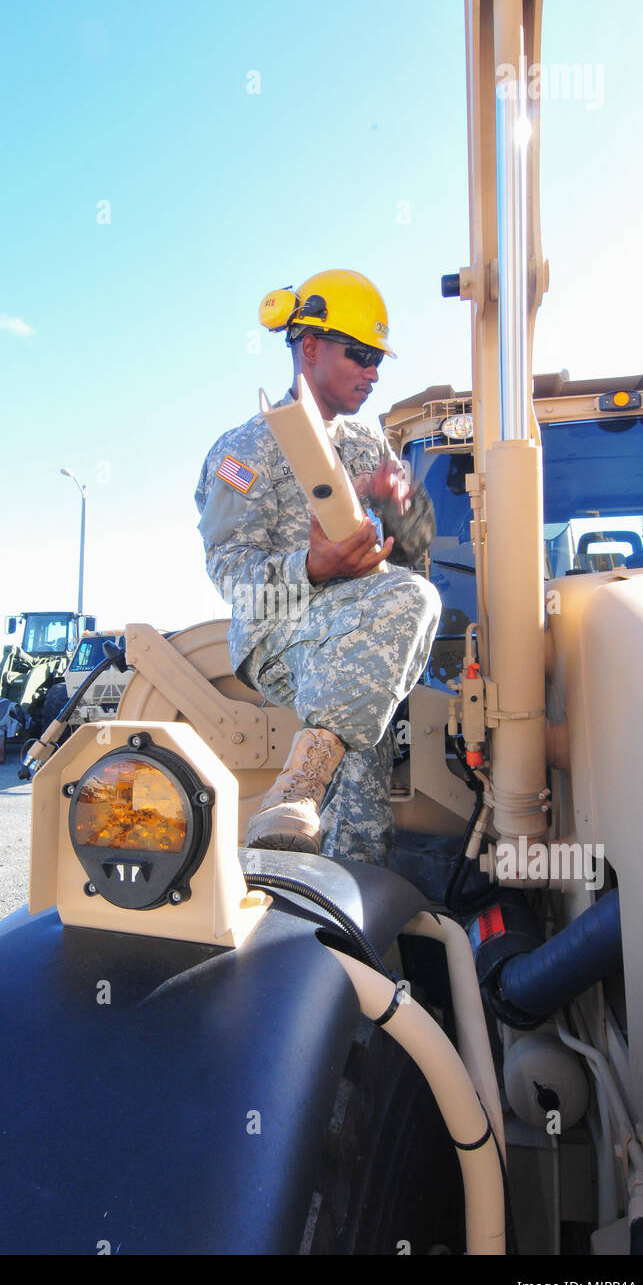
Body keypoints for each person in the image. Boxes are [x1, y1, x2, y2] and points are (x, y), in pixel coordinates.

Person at [194, 269, 440, 866]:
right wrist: (311, 566)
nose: (374, 372)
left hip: (358, 634)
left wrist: (402, 510)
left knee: (361, 815)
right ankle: (299, 788)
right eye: (360, 354)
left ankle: (344, 930)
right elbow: (231, 572)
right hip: (281, 635)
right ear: (309, 347)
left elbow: (416, 556)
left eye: (378, 358)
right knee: (413, 601)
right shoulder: (245, 451)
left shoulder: (368, 441)